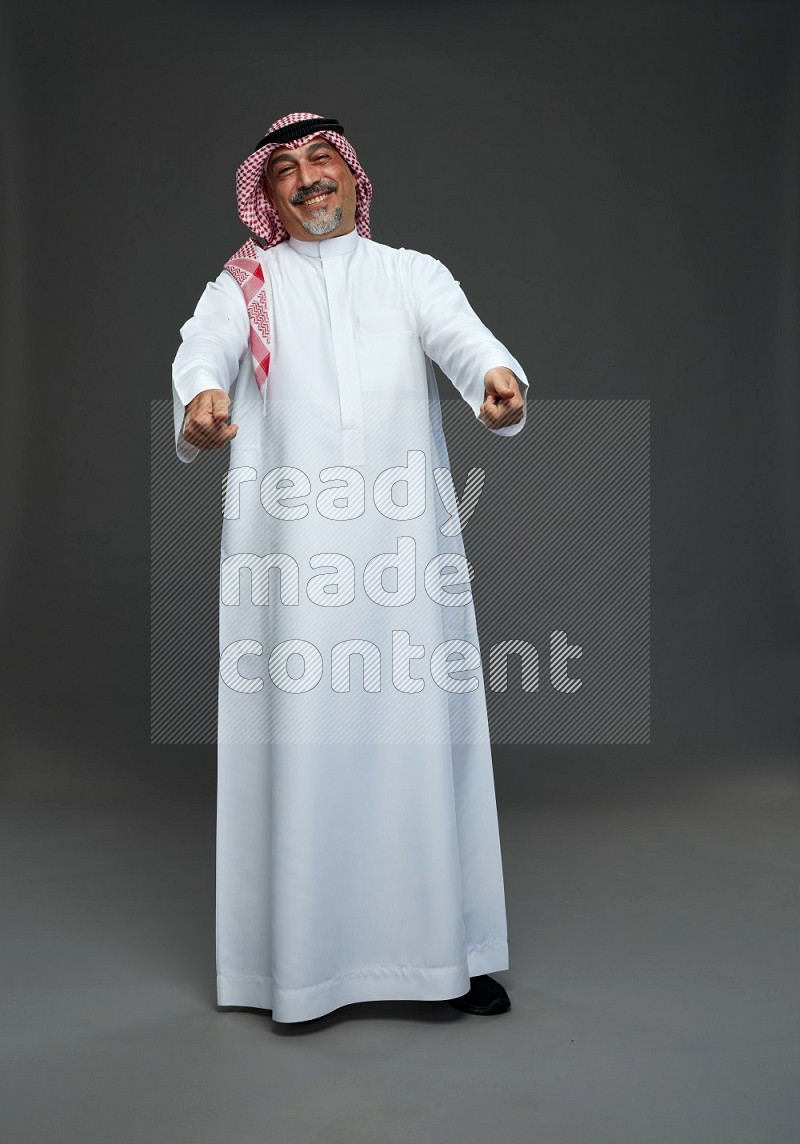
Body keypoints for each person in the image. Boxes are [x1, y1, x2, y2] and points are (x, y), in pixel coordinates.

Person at [171, 112, 529, 1023]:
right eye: (285, 169)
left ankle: (446, 954)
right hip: (292, 573)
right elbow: (201, 348)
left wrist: (494, 378)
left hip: (402, 564)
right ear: (269, 194)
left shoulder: (411, 274)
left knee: (421, 744)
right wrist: (203, 396)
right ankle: (300, 967)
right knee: (304, 749)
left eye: (321, 159)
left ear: (352, 177)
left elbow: (461, 336)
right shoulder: (244, 284)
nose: (307, 178)